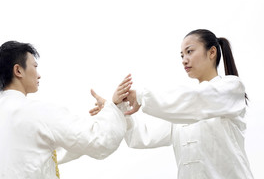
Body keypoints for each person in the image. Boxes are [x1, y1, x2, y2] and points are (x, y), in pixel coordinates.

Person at [92, 29, 254, 179]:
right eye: (182, 56)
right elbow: (141, 137)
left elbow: (198, 100)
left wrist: (141, 96)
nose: (184, 60)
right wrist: (115, 109)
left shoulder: (231, 88)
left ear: (212, 52)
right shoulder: (181, 111)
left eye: (189, 52)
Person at [0, 41, 128, 179]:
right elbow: (97, 141)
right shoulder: (36, 112)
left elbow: (43, 153)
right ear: (18, 70)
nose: (39, 74)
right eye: (35, 66)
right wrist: (113, 107)